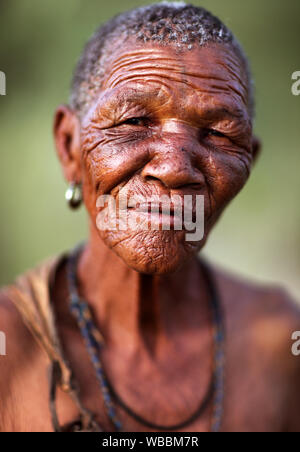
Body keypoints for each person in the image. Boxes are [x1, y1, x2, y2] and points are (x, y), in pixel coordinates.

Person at [0, 2, 299, 432]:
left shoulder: (279, 344)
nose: (176, 167)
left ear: (248, 163)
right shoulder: (11, 350)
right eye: (135, 120)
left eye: (218, 134)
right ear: (69, 146)